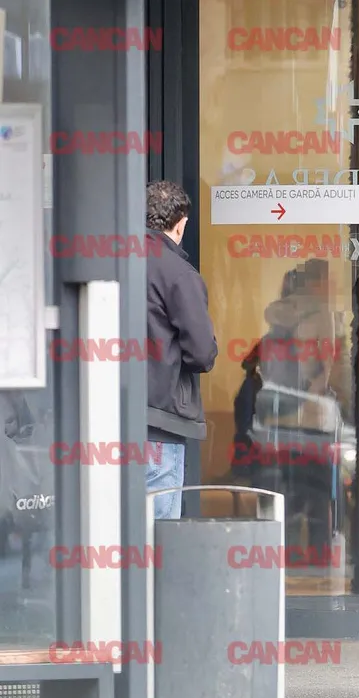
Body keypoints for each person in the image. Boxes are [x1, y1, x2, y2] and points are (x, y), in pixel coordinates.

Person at [145, 181, 218, 519]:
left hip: (105, 421)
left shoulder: (110, 262)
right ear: (181, 224)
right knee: (157, 529)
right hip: (160, 421)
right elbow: (202, 352)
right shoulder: (178, 274)